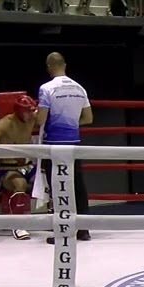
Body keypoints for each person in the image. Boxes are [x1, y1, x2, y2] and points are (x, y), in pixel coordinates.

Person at [37, 52, 93, 243]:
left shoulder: (46, 88)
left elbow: (41, 119)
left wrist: (35, 116)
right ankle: (83, 230)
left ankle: (62, 230)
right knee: (78, 185)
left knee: (58, 185)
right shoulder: (79, 88)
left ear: (49, 67)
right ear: (65, 65)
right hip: (74, 143)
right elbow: (88, 118)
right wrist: (71, 125)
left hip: (54, 145)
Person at [0, 95, 40, 240]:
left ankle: (54, 220)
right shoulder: (7, 123)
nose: (30, 114)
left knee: (51, 179)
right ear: (19, 111)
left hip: (29, 166)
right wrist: (10, 153)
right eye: (27, 111)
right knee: (19, 184)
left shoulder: (32, 118)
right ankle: (18, 225)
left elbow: (44, 119)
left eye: (32, 111)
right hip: (9, 168)